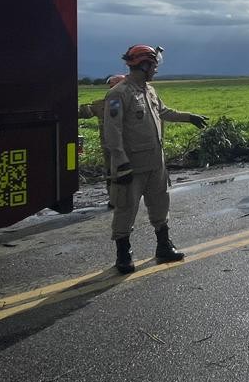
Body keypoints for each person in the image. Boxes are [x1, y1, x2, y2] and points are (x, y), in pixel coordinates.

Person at [103, 45, 208, 274]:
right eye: (153, 65)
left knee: (160, 204)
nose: (156, 70)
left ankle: (163, 246)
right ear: (143, 65)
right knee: (126, 208)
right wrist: (120, 161)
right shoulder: (119, 94)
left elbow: (164, 112)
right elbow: (112, 132)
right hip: (131, 165)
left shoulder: (149, 90)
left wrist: (189, 117)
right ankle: (123, 254)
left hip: (155, 163)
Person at [78, 74, 125, 209]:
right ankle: (115, 200)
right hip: (111, 146)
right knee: (113, 173)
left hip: (121, 146)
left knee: (118, 173)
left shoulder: (126, 104)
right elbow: (85, 113)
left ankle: (119, 200)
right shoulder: (102, 104)